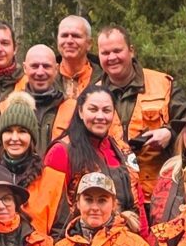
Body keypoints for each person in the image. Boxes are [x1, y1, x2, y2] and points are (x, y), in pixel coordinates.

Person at [94, 25, 180, 195]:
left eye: (117, 51)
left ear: (131, 51)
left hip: (160, 192)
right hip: (112, 194)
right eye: (105, 53)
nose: (112, 57)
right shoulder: (92, 95)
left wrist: (170, 133)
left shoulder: (163, 84)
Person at [43, 85, 138, 224]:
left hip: (127, 235)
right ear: (80, 111)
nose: (100, 116)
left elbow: (138, 203)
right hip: (78, 235)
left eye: (106, 110)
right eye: (93, 109)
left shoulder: (123, 149)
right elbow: (49, 209)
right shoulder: (61, 151)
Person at [0, 96, 65, 235]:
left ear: (32, 137)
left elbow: (60, 233)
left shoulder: (53, 180)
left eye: (22, 131)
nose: (15, 138)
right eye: (8, 131)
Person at [8, 42, 84, 144]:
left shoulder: (73, 109)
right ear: (25, 68)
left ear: (56, 69)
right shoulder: (7, 108)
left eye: (46, 66)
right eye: (35, 66)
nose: (40, 72)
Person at [53, 14, 98, 93]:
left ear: (89, 43)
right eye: (64, 35)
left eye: (76, 36)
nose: (69, 41)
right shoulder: (44, 78)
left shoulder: (105, 79)